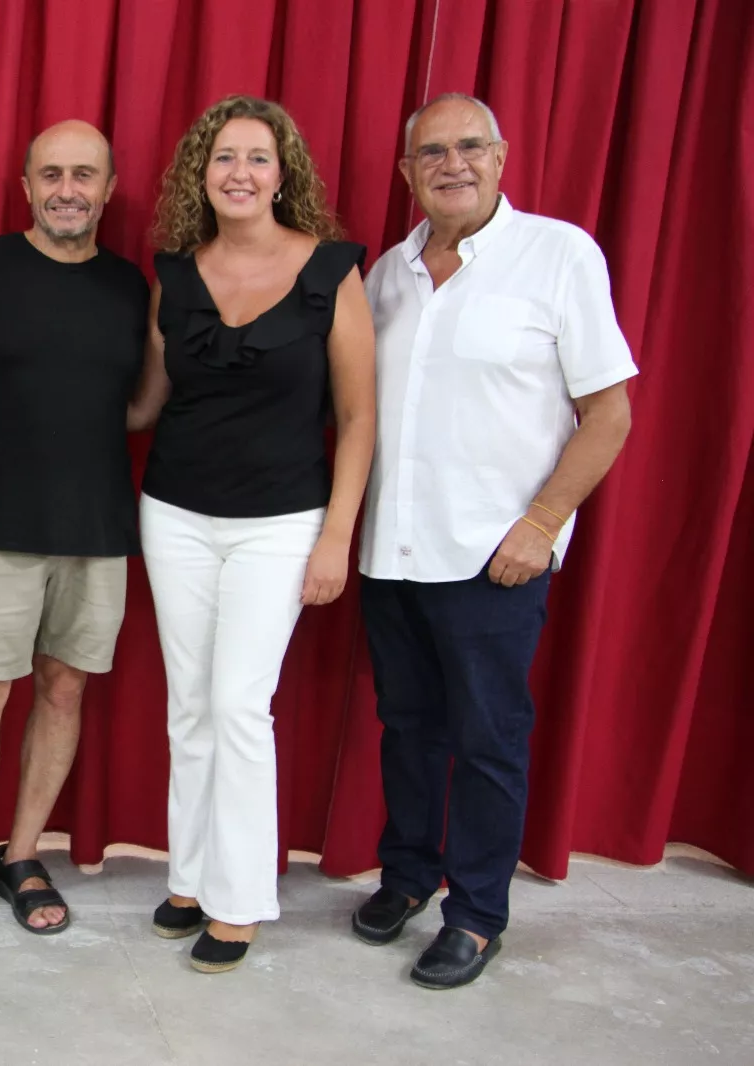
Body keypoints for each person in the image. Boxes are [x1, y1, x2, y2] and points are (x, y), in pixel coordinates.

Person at [350, 93, 636, 990]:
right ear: (407, 173)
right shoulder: (384, 275)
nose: (452, 164)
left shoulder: (558, 255)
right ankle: (408, 875)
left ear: (502, 156)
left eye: (470, 146)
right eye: (431, 152)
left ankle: (476, 913)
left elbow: (609, 413)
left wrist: (542, 524)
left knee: (488, 738)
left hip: (492, 559)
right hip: (389, 553)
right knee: (407, 727)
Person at [127, 95, 376, 973]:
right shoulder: (176, 274)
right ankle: (189, 877)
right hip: (176, 514)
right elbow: (151, 405)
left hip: (282, 521)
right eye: (223, 157)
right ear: (203, 173)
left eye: (257, 158)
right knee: (189, 705)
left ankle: (239, 901)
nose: (239, 172)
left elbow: (357, 413)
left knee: (238, 705)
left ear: (283, 175)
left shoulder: (332, 272)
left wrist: (336, 535)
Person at [0, 120, 149, 936]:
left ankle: (22, 853)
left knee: (64, 688)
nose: (67, 189)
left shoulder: (130, 287)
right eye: (51, 174)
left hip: (97, 524)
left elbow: (146, 404)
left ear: (110, 189)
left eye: (84, 175)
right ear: (26, 187)